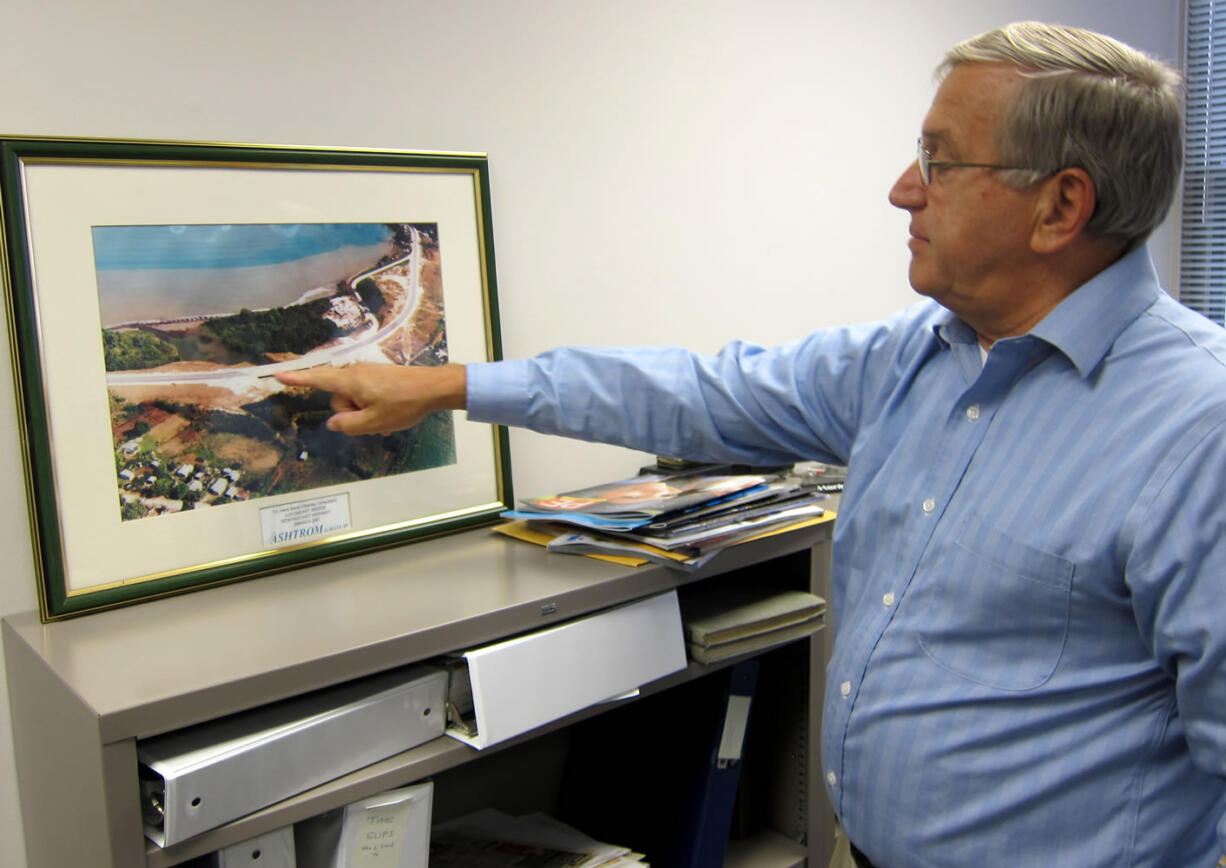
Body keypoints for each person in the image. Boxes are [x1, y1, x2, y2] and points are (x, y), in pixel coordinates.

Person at [278, 21, 1226, 868]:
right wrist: (447, 386)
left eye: (941, 161)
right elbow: (696, 392)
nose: (903, 192)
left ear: (1059, 208)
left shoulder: (1197, 429)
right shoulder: (915, 359)